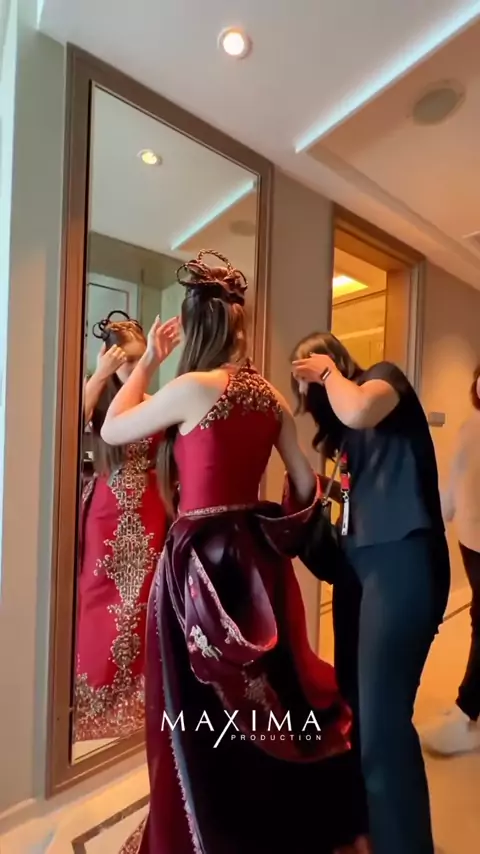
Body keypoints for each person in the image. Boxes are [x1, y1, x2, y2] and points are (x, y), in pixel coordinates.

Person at [101, 252, 370, 854]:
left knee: (197, 700)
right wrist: (275, 530)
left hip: (196, 560)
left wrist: (149, 360)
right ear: (239, 323)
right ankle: (272, 820)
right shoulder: (270, 396)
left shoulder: (192, 387)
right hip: (256, 560)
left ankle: (209, 828)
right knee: (268, 693)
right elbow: (304, 483)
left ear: (197, 326)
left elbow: (114, 426)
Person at [291, 333, 450, 854]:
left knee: (382, 727)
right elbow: (333, 528)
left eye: (313, 368)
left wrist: (327, 373)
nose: (309, 385)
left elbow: (359, 408)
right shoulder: (341, 445)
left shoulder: (383, 381)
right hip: (358, 575)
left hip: (402, 563)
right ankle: (374, 833)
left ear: (337, 361)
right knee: (359, 716)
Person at [74, 311, 178, 743]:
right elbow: (64, 429)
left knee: (141, 600)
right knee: (97, 594)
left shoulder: (155, 401)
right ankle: (95, 694)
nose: (132, 368)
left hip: (150, 510)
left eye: (138, 359)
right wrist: (98, 376)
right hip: (106, 513)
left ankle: (137, 695)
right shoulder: (96, 399)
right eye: (125, 361)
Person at [421, 364, 480, 756]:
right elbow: (456, 476)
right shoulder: (470, 427)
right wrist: (436, 521)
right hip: (472, 539)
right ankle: (468, 708)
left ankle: (466, 708)